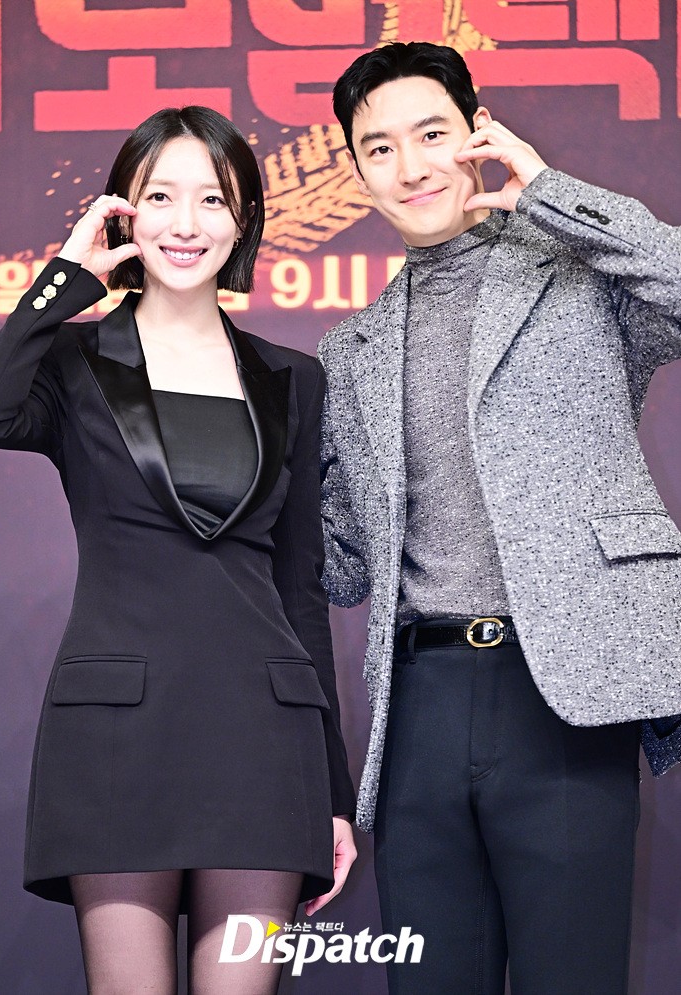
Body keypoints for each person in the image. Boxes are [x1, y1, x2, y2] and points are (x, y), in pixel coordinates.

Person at [318, 41, 681, 994]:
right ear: (357, 172)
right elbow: (344, 564)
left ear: (478, 133)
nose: (411, 166)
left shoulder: (579, 275)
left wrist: (550, 193)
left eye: (432, 134)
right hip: (418, 706)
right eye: (380, 148)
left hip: (561, 691)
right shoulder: (349, 349)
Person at [0, 105, 356, 995]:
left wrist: (333, 789)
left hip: (262, 737)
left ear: (244, 218)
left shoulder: (294, 377)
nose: (186, 224)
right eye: (160, 197)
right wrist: (65, 281)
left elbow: (299, 585)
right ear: (124, 211)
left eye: (212, 200)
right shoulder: (73, 361)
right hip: (117, 733)